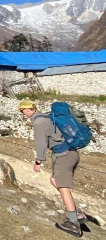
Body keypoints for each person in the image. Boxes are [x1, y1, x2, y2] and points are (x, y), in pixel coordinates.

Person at [19, 99, 86, 237]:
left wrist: (38, 161)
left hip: (63, 155)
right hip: (71, 153)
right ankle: (77, 212)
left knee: (63, 187)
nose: (22, 114)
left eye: (22, 111)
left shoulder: (38, 122)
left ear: (27, 109)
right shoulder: (47, 117)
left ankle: (73, 224)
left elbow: (40, 143)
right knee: (55, 180)